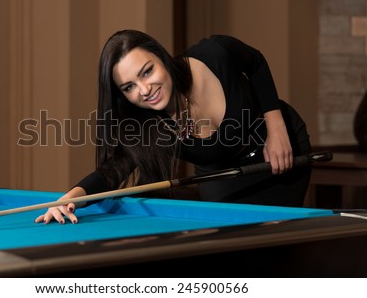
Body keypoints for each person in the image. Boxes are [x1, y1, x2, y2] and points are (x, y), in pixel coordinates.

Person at [35, 29, 311, 225]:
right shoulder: (148, 123)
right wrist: (70, 198)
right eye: (129, 87)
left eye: (147, 71)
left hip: (281, 151)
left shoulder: (214, 54)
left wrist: (275, 129)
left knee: (278, 243)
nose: (145, 90)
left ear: (162, 57)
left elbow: (256, 63)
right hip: (223, 176)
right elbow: (114, 169)